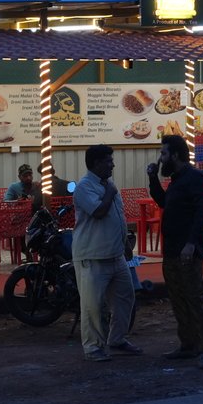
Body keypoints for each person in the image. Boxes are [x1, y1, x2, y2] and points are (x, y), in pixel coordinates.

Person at [148, 134, 203, 369]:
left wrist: (191, 243)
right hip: (172, 249)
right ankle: (187, 345)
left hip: (187, 250)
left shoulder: (195, 178)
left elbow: (202, 212)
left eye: (164, 153)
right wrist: (152, 178)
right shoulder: (176, 179)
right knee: (177, 298)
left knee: (192, 297)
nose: (161, 158)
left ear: (175, 155)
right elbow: (163, 202)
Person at [70, 145, 139, 362]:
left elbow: (118, 217)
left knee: (125, 297)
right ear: (96, 163)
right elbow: (99, 212)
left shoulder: (108, 185)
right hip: (93, 257)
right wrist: (109, 193)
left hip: (116, 255)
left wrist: (125, 245)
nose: (112, 165)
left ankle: (116, 339)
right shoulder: (84, 187)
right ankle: (93, 348)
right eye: (108, 161)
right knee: (92, 306)